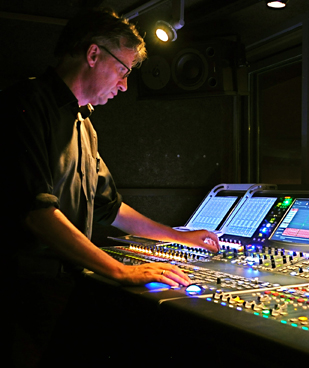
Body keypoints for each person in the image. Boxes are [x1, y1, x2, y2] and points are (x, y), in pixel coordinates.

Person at [3, 8, 219, 366]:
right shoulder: (25, 103)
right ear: (93, 54)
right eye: (123, 70)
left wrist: (179, 238)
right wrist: (120, 270)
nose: (124, 85)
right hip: (21, 292)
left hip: (62, 289)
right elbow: (37, 213)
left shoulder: (85, 126)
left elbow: (111, 207)